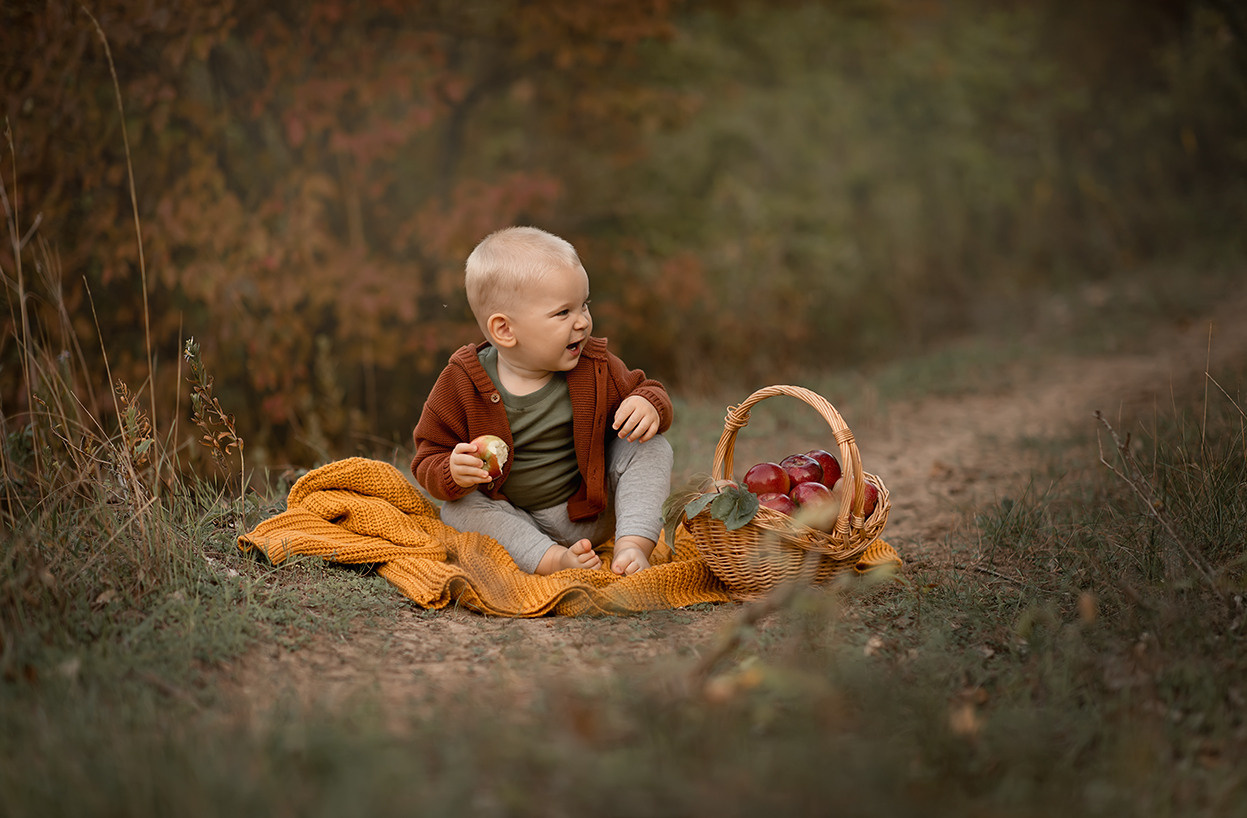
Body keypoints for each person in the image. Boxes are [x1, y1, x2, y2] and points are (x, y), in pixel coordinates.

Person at [411, 226, 674, 576]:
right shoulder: (462, 381)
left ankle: (632, 546)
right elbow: (427, 456)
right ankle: (551, 559)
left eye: (584, 305)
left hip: (590, 512)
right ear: (505, 330)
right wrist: (452, 471)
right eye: (563, 313)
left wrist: (647, 405)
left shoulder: (595, 366)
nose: (582, 322)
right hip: (516, 523)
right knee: (457, 510)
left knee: (650, 446)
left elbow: (648, 389)